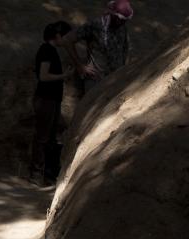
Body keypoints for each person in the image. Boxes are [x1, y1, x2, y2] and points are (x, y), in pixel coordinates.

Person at [29, 21, 72, 186]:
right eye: (65, 36)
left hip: (51, 99)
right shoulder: (47, 50)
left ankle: (46, 175)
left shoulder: (50, 50)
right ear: (58, 36)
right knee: (42, 137)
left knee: (50, 137)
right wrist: (63, 76)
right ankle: (36, 174)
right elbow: (43, 76)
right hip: (45, 99)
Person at [61, 0, 134, 96]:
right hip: (96, 80)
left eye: (126, 20)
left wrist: (124, 71)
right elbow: (67, 40)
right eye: (122, 19)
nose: (124, 22)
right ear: (114, 15)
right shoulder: (96, 25)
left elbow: (125, 48)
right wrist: (80, 66)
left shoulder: (122, 27)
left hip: (115, 79)